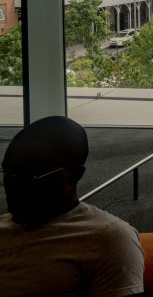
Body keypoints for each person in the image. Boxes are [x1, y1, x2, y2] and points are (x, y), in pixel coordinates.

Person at [1, 116, 145, 296]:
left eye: (30, 178)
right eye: (8, 174)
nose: (12, 186)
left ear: (74, 175)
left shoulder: (107, 238)